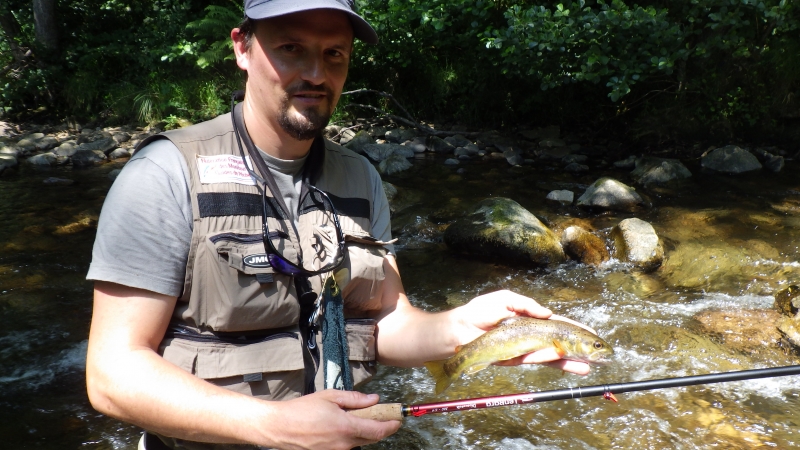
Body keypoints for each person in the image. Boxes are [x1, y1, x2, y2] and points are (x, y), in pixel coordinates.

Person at [85, 1, 595, 449]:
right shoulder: (166, 174)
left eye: (335, 54)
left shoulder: (360, 178)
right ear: (242, 47)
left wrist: (462, 327)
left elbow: (387, 324)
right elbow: (112, 374)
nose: (316, 73)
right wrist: (274, 426)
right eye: (291, 48)